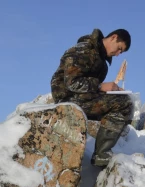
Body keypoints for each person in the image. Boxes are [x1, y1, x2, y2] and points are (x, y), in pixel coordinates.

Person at [51, 28, 134, 167]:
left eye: (121, 52)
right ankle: (101, 155)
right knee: (123, 103)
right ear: (113, 37)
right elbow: (72, 82)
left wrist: (112, 91)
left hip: (81, 98)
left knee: (124, 102)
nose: (118, 54)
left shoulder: (100, 60)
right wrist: (101, 86)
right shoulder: (84, 50)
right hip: (67, 99)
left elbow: (90, 89)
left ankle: (102, 154)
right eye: (119, 49)